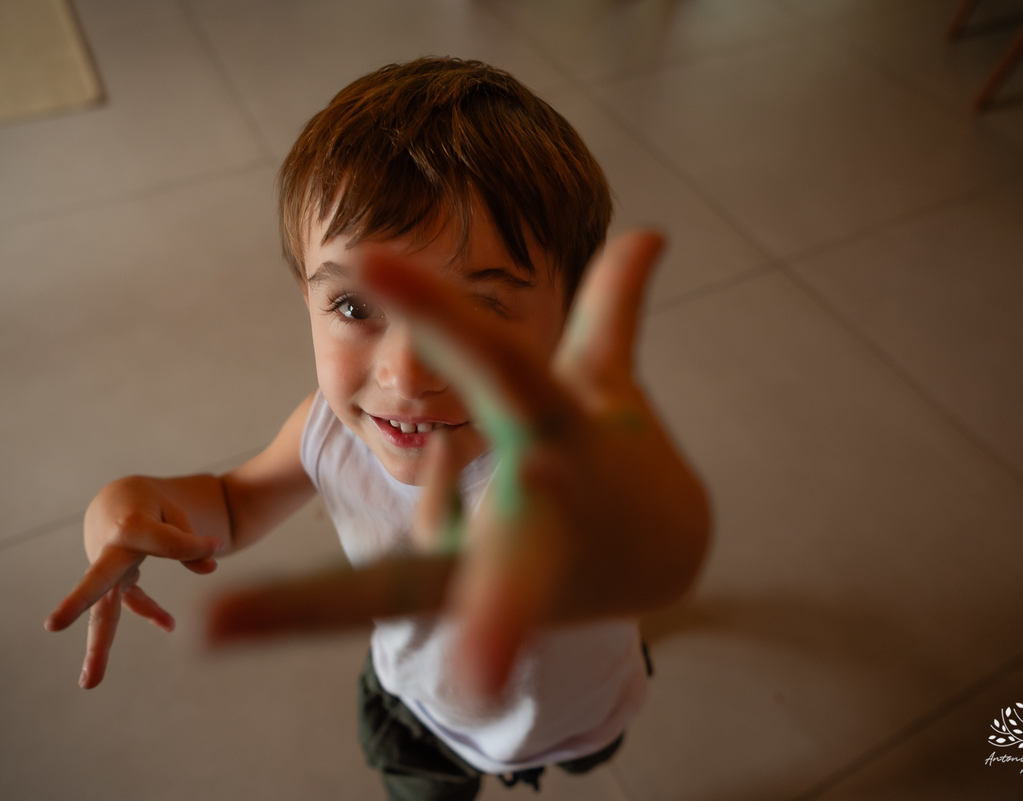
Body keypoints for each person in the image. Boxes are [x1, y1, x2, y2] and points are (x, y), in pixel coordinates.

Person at [45, 57, 710, 800]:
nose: (407, 374)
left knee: (590, 749)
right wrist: (129, 506)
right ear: (307, 296)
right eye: (356, 307)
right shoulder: (328, 431)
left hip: (587, 703)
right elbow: (232, 505)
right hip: (418, 709)